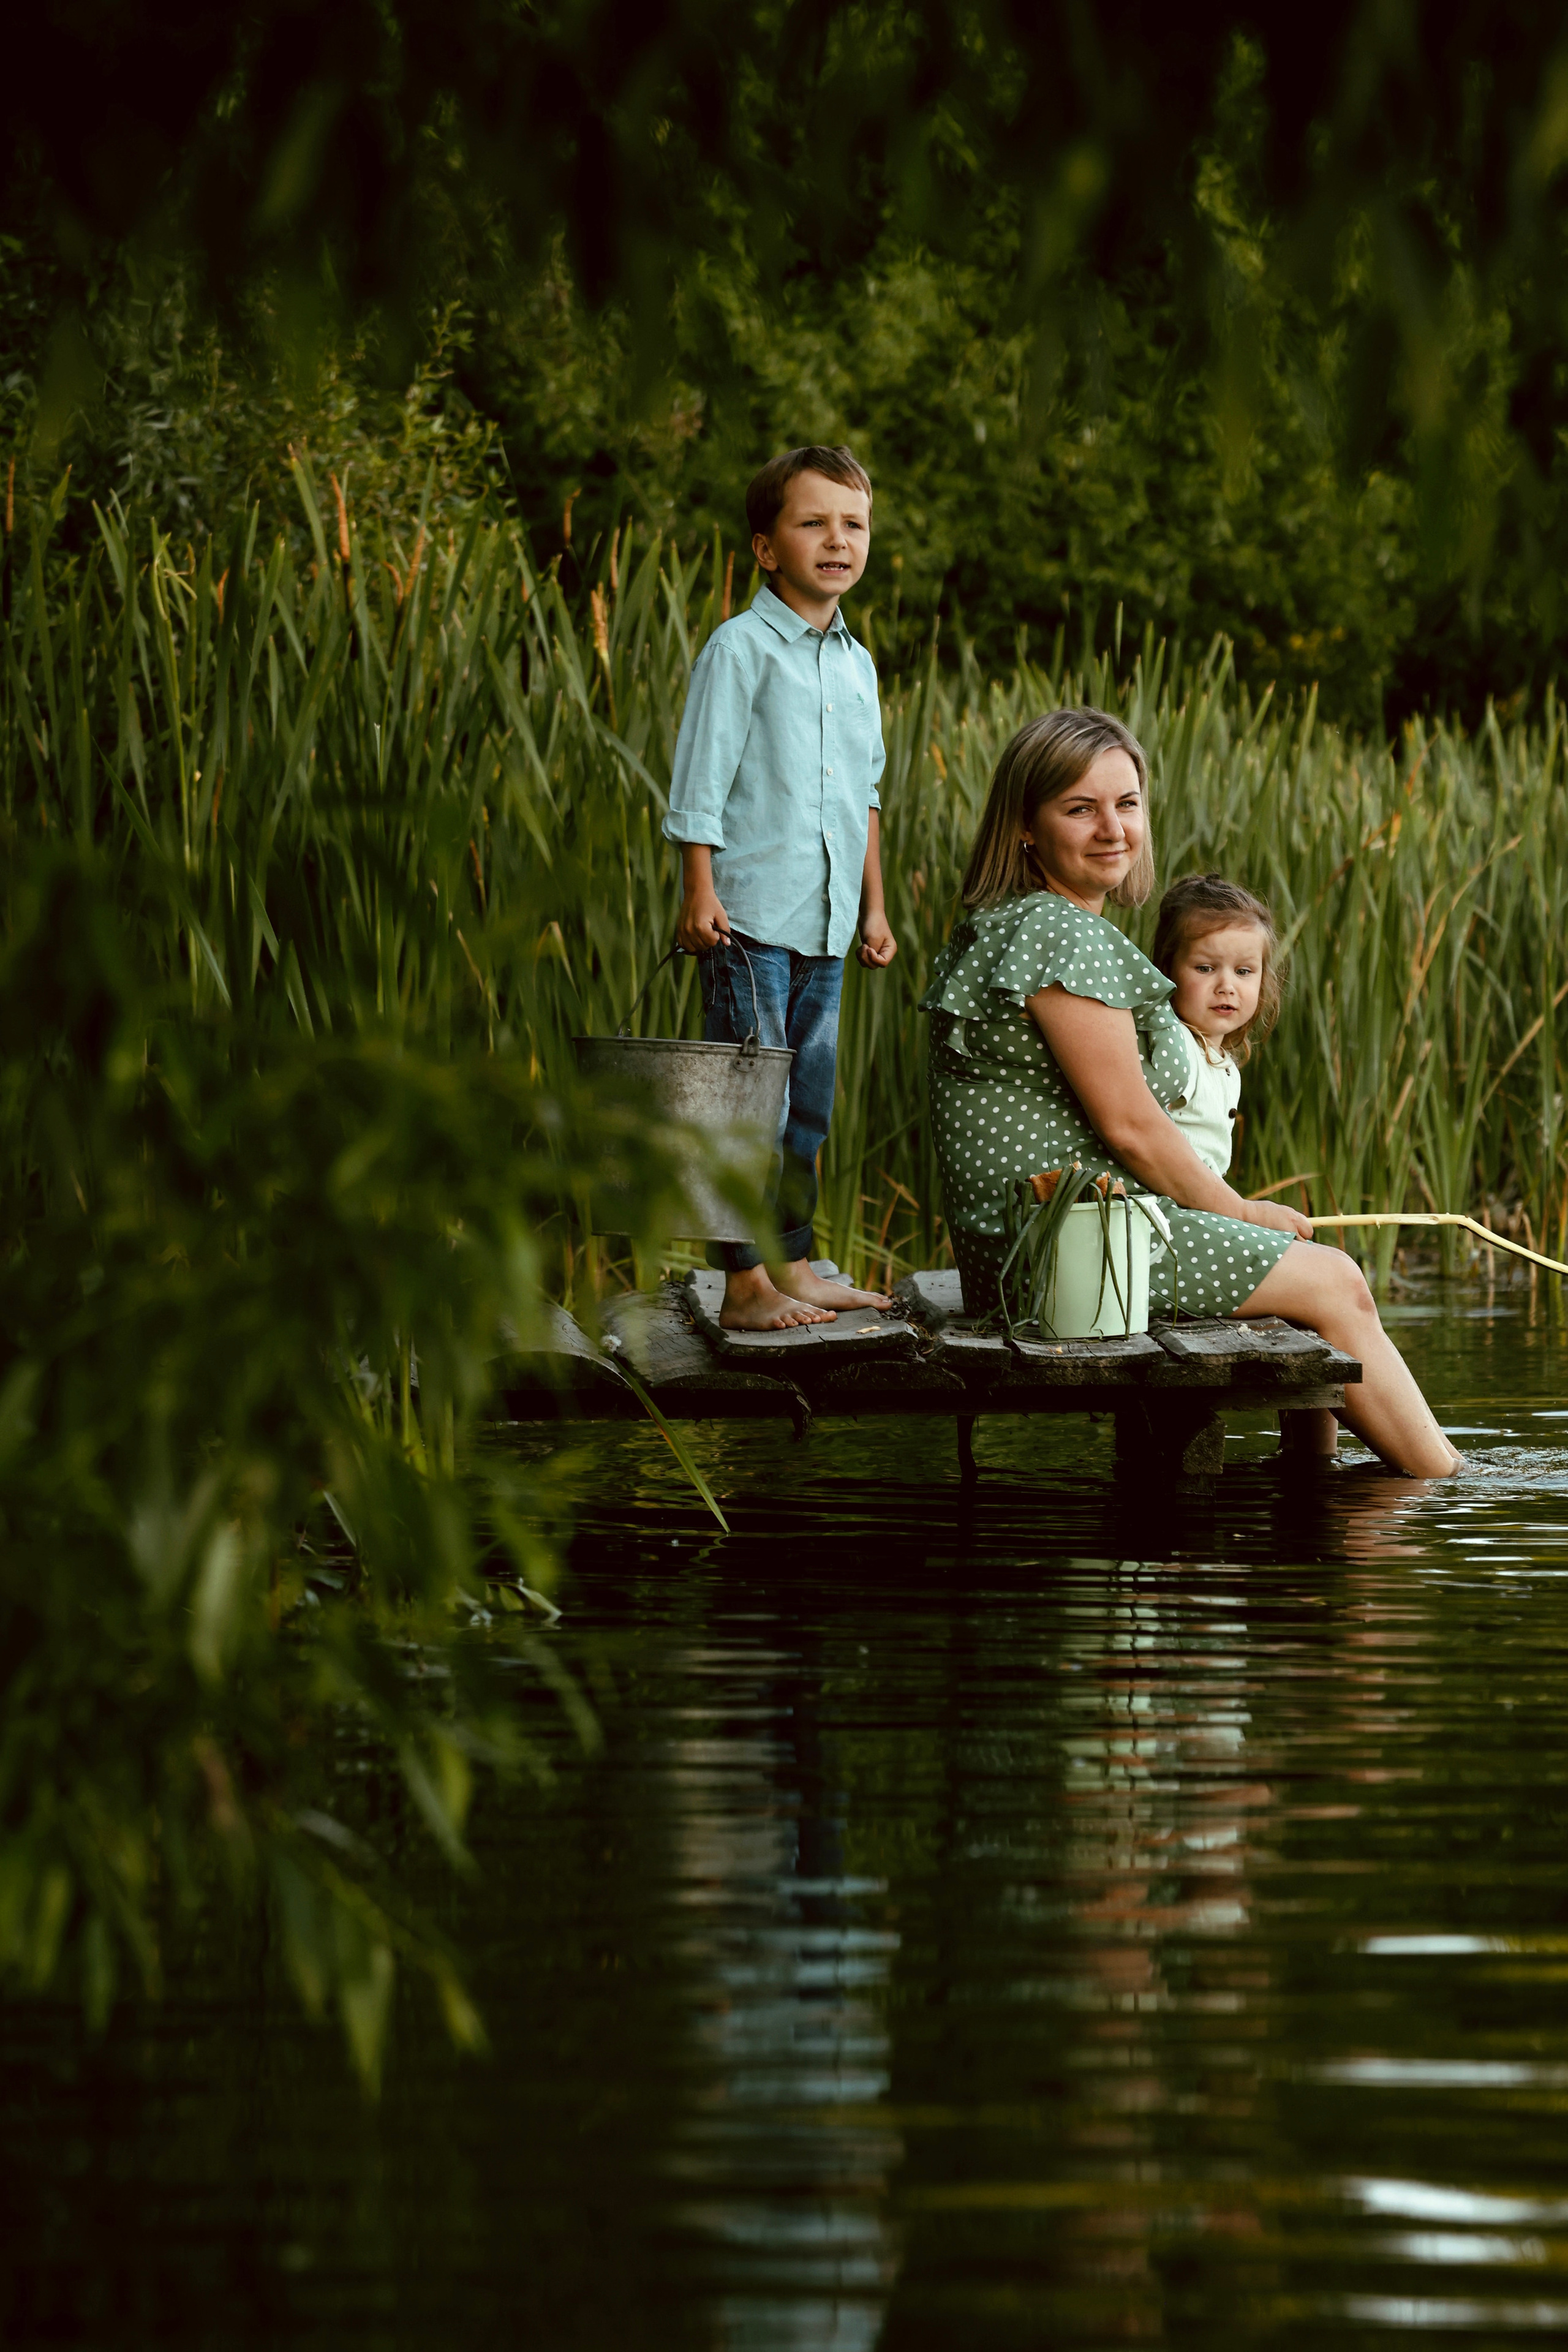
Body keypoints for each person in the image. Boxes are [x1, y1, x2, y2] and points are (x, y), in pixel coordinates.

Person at [918, 707, 1460, 1477]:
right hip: (1066, 1254)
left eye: (1126, 803)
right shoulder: (1059, 934)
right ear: (1025, 827)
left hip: (1040, 1244)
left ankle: (1319, 1480)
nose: (1113, 829)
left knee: (1312, 1283)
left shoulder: (1016, 923)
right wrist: (1241, 1211)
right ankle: (1442, 1489)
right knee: (1337, 1282)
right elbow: (1131, 1126)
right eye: (1080, 809)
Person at [663, 445, 897, 1331]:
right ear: (767, 549)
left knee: (807, 1111)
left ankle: (792, 1262)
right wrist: (698, 890)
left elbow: (865, 796)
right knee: (748, 1110)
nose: (838, 540)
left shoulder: (857, 665)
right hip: (749, 921)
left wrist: (874, 908)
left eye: (854, 524)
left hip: (827, 926)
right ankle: (743, 1285)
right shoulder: (741, 650)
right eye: (813, 523)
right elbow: (701, 779)